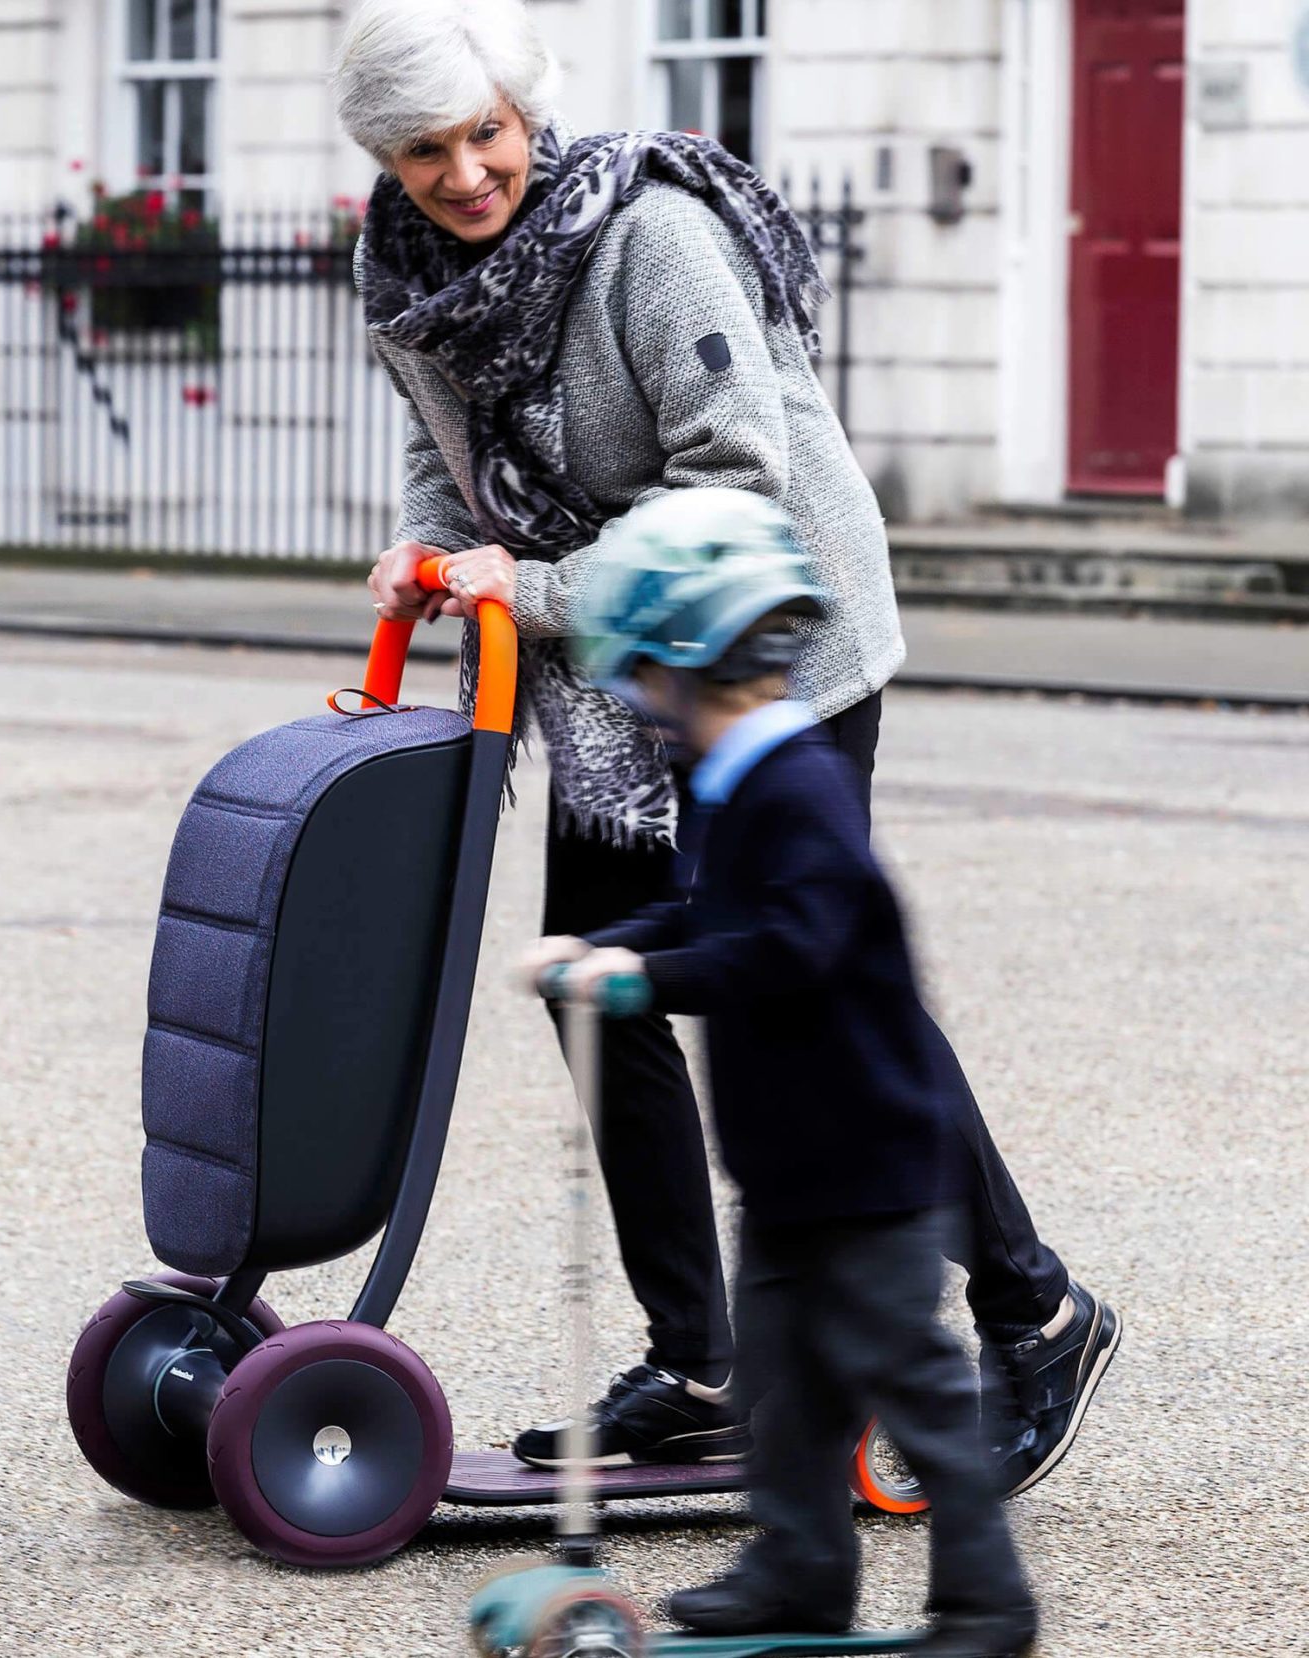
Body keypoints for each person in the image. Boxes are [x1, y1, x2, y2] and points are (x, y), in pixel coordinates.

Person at [333, 0, 1119, 1495]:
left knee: (814, 984)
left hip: (770, 644)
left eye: (486, 131)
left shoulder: (646, 236)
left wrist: (535, 588)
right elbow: (443, 458)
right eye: (427, 149)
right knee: (600, 986)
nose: (466, 173)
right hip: (610, 675)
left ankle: (1037, 1308)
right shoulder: (407, 264)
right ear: (386, 153)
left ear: (527, 108)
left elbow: (740, 485)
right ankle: (701, 1364)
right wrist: (426, 549)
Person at [530, 487, 1039, 1655]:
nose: (638, 708)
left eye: (645, 680)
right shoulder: (724, 785)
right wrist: (611, 944)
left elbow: (790, 948)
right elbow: (695, 909)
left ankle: (986, 1602)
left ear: (696, 665)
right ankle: (801, 1569)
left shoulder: (799, 790)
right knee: (785, 1385)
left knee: (910, 1377)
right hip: (791, 1167)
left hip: (872, 1166)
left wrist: (641, 985)